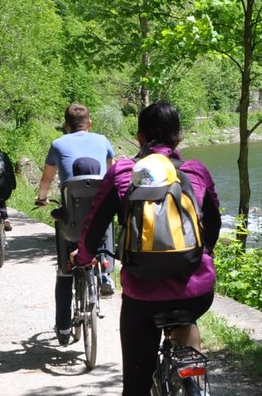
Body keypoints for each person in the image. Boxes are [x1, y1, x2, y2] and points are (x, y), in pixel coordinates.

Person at [75, 101, 221, 396]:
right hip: (196, 291)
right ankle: (195, 382)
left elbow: (95, 224)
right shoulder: (195, 171)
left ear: (139, 136)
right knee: (187, 320)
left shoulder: (124, 172)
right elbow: (213, 225)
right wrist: (202, 255)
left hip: (143, 296)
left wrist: (83, 257)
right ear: (178, 137)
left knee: (136, 387)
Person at [34, 103, 117, 346]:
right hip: (99, 222)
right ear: (89, 123)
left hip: (71, 222)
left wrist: (41, 198)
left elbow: (46, 179)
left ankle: (62, 328)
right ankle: (105, 274)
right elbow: (111, 174)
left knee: (64, 271)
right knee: (106, 217)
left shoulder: (58, 144)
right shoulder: (103, 140)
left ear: (66, 126)